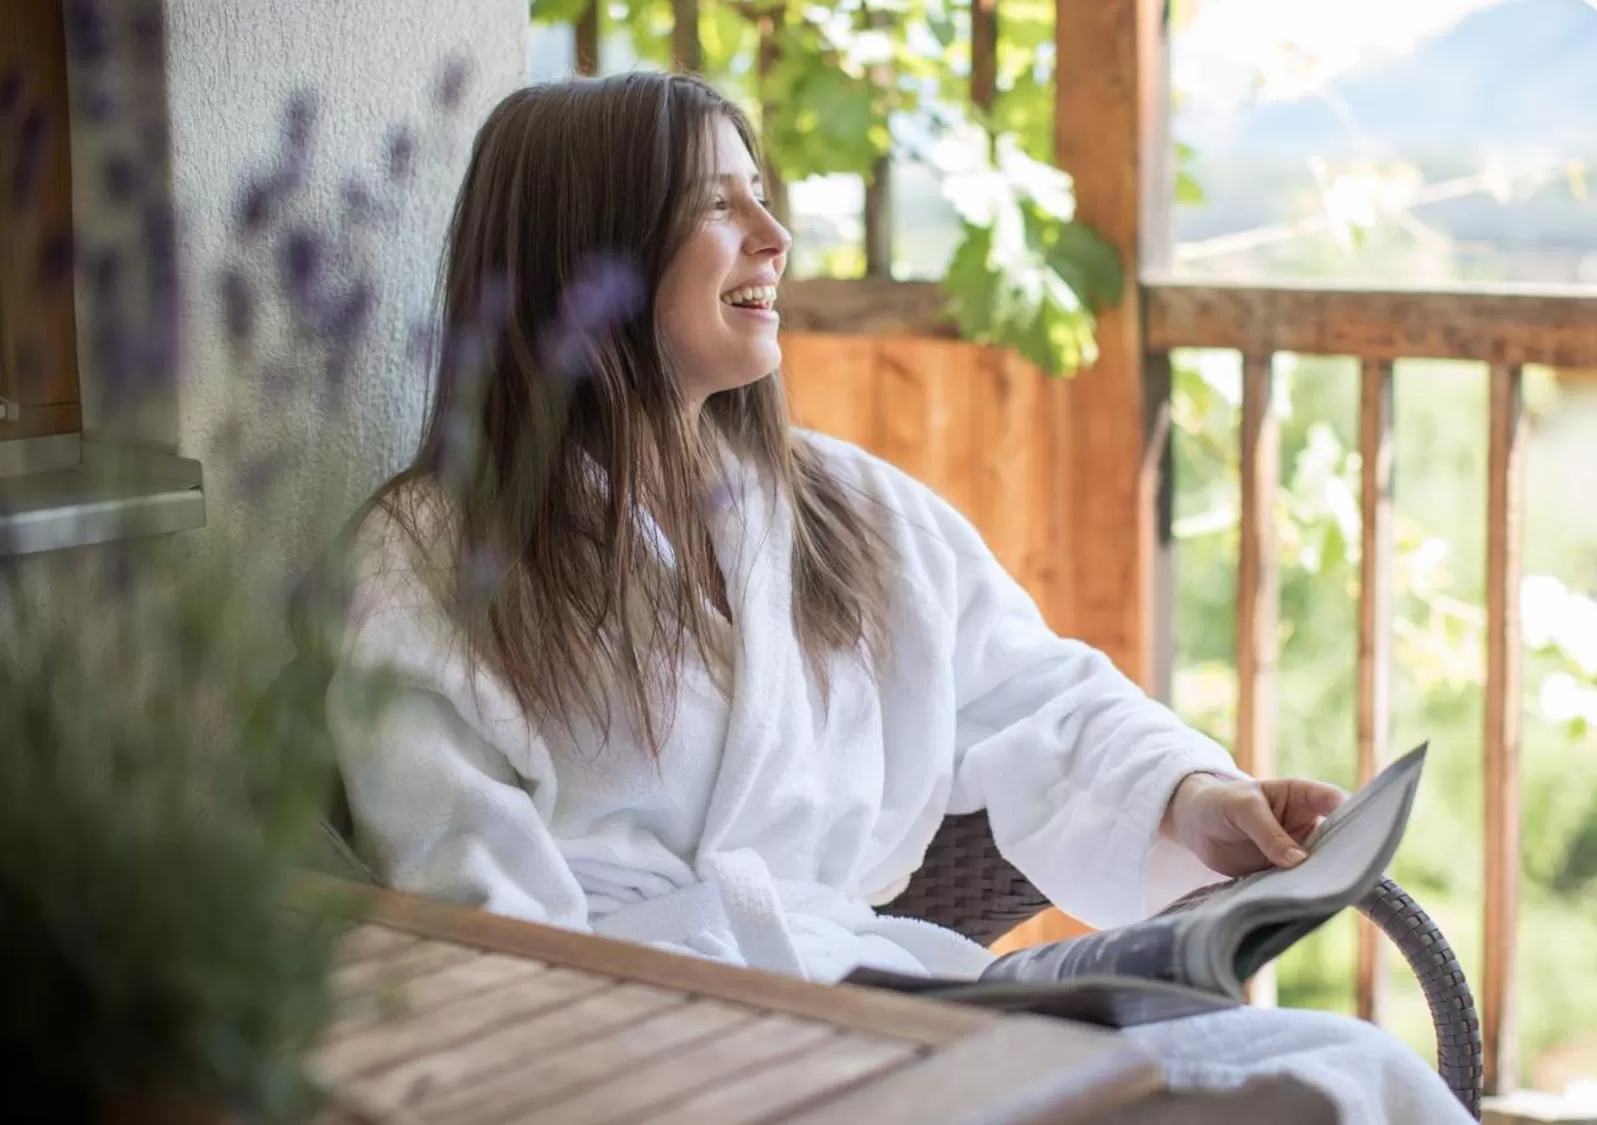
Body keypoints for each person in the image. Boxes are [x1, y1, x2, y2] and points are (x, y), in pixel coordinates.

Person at [325, 71, 1473, 1124]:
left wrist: (1190, 797)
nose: (774, 238)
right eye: (719, 207)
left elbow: (1037, 694)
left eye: (762, 198)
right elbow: (473, 909)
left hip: (882, 1011)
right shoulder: (432, 555)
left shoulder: (848, 511)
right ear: (592, 256)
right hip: (645, 1059)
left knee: (1352, 1071)